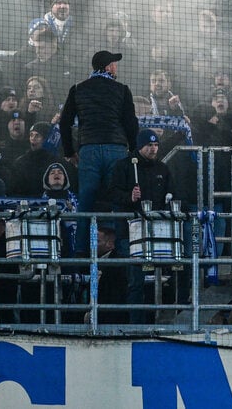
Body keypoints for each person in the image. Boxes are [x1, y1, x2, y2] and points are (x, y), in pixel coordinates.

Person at [58, 51, 139, 221]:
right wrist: (133, 149)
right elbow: (131, 123)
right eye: (114, 64)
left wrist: (69, 152)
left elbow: (64, 122)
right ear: (108, 67)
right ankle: (119, 245)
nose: (116, 67)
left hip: (89, 149)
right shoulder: (122, 90)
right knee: (118, 200)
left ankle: (81, 247)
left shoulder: (78, 89)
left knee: (85, 203)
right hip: (116, 149)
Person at [105, 129, 176, 324]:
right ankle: (136, 323)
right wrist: (129, 197)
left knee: (167, 274)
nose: (153, 149)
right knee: (135, 279)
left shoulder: (163, 169)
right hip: (130, 233)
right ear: (139, 146)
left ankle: (160, 319)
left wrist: (170, 199)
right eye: (149, 146)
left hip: (157, 233)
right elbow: (112, 192)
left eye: (155, 145)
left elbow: (172, 192)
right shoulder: (124, 167)